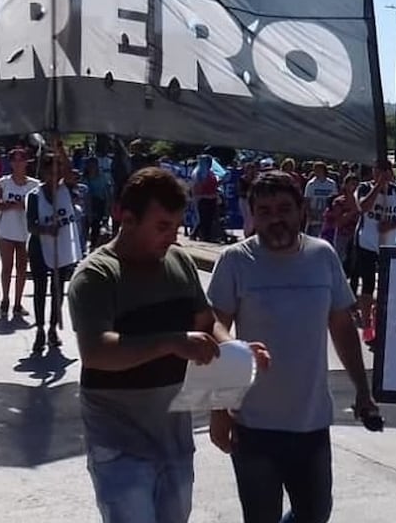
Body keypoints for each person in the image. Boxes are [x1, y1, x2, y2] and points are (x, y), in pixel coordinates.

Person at [68, 167, 269, 523]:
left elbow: (207, 324)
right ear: (126, 218)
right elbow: (97, 352)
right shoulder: (96, 275)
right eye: (162, 227)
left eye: (176, 227)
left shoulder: (178, 262)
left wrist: (238, 352)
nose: (171, 238)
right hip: (119, 446)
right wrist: (171, 343)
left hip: (174, 440)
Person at [207, 170, 377, 523]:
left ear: (302, 210)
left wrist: (363, 390)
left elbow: (342, 326)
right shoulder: (235, 260)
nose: (275, 219)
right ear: (253, 214)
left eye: (284, 208)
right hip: (252, 424)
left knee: (315, 513)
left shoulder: (323, 256)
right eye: (265, 211)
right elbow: (214, 330)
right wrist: (219, 410)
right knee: (261, 516)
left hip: (311, 422)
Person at [27, 153, 82, 353]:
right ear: (43, 173)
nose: (54, 176)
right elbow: (31, 225)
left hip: (61, 247)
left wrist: (61, 150)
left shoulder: (65, 190)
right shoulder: (34, 195)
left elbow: (70, 172)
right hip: (40, 247)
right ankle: (40, 329)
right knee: (40, 289)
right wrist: (47, 230)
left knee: (57, 289)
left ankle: (52, 328)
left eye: (56, 172)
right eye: (50, 172)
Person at [355, 159, 396, 342]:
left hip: (388, 244)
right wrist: (378, 186)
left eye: (384, 171)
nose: (380, 174)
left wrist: (392, 225)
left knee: (386, 286)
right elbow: (362, 207)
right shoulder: (364, 188)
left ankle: (382, 321)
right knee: (368, 284)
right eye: (377, 171)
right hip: (367, 243)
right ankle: (366, 326)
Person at [0, 149, 40, 320]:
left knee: (21, 268)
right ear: (11, 163)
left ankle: (18, 303)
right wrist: (9, 205)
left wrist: (25, 206)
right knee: (7, 267)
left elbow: (39, 208)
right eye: (15, 161)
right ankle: (5, 299)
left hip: (25, 231)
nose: (18, 164)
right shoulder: (3, 183)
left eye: (22, 160)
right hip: (6, 229)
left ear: (27, 162)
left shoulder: (34, 185)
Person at [321, 173, 361, 270]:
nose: (354, 187)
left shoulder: (361, 201)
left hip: (357, 236)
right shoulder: (339, 202)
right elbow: (339, 222)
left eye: (356, 184)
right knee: (340, 261)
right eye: (352, 184)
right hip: (342, 235)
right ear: (346, 185)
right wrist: (353, 211)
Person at [304, 161, 339, 237]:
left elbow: (335, 199)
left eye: (319, 170)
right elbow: (307, 200)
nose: (316, 172)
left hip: (327, 214)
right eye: (315, 170)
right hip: (314, 213)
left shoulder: (331, 184)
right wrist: (309, 214)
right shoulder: (311, 184)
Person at [83, 157, 112, 250]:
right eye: (90, 165)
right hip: (86, 203)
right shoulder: (84, 178)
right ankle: (83, 245)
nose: (92, 167)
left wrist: (107, 207)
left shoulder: (102, 177)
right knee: (85, 224)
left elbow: (107, 192)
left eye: (94, 165)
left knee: (96, 225)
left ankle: (93, 245)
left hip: (99, 202)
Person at [191, 154, 220, 242]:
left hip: (211, 197)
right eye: (208, 161)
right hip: (202, 198)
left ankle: (206, 235)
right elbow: (197, 187)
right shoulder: (198, 172)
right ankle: (200, 235)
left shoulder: (210, 172)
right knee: (202, 218)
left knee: (209, 218)